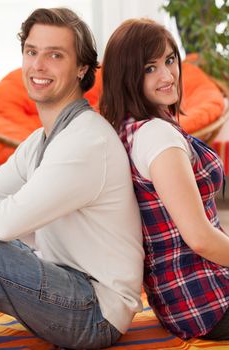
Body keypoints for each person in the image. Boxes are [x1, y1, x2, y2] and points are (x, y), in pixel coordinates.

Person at [0, 8, 144, 349]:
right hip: (64, 283)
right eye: (32, 52)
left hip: (94, 311)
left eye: (55, 55)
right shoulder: (41, 140)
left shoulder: (86, 141)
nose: (38, 66)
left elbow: (4, 224)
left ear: (81, 68)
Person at [99, 18, 229, 341]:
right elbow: (198, 237)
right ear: (127, 76)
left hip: (181, 299)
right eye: (149, 68)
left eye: (169, 60)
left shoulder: (131, 127)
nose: (168, 76)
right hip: (208, 299)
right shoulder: (157, 137)